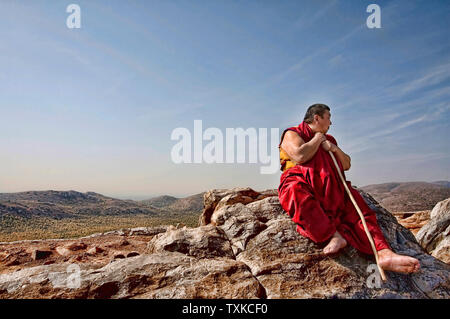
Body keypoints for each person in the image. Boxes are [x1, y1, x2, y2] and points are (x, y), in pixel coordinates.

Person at [278, 103, 420, 274]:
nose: (331, 123)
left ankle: (384, 254)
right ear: (317, 118)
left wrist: (334, 148)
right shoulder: (293, 133)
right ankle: (333, 236)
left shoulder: (330, 140)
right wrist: (317, 139)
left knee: (361, 213)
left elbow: (346, 164)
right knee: (296, 193)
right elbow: (300, 156)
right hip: (303, 181)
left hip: (334, 186)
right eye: (328, 118)